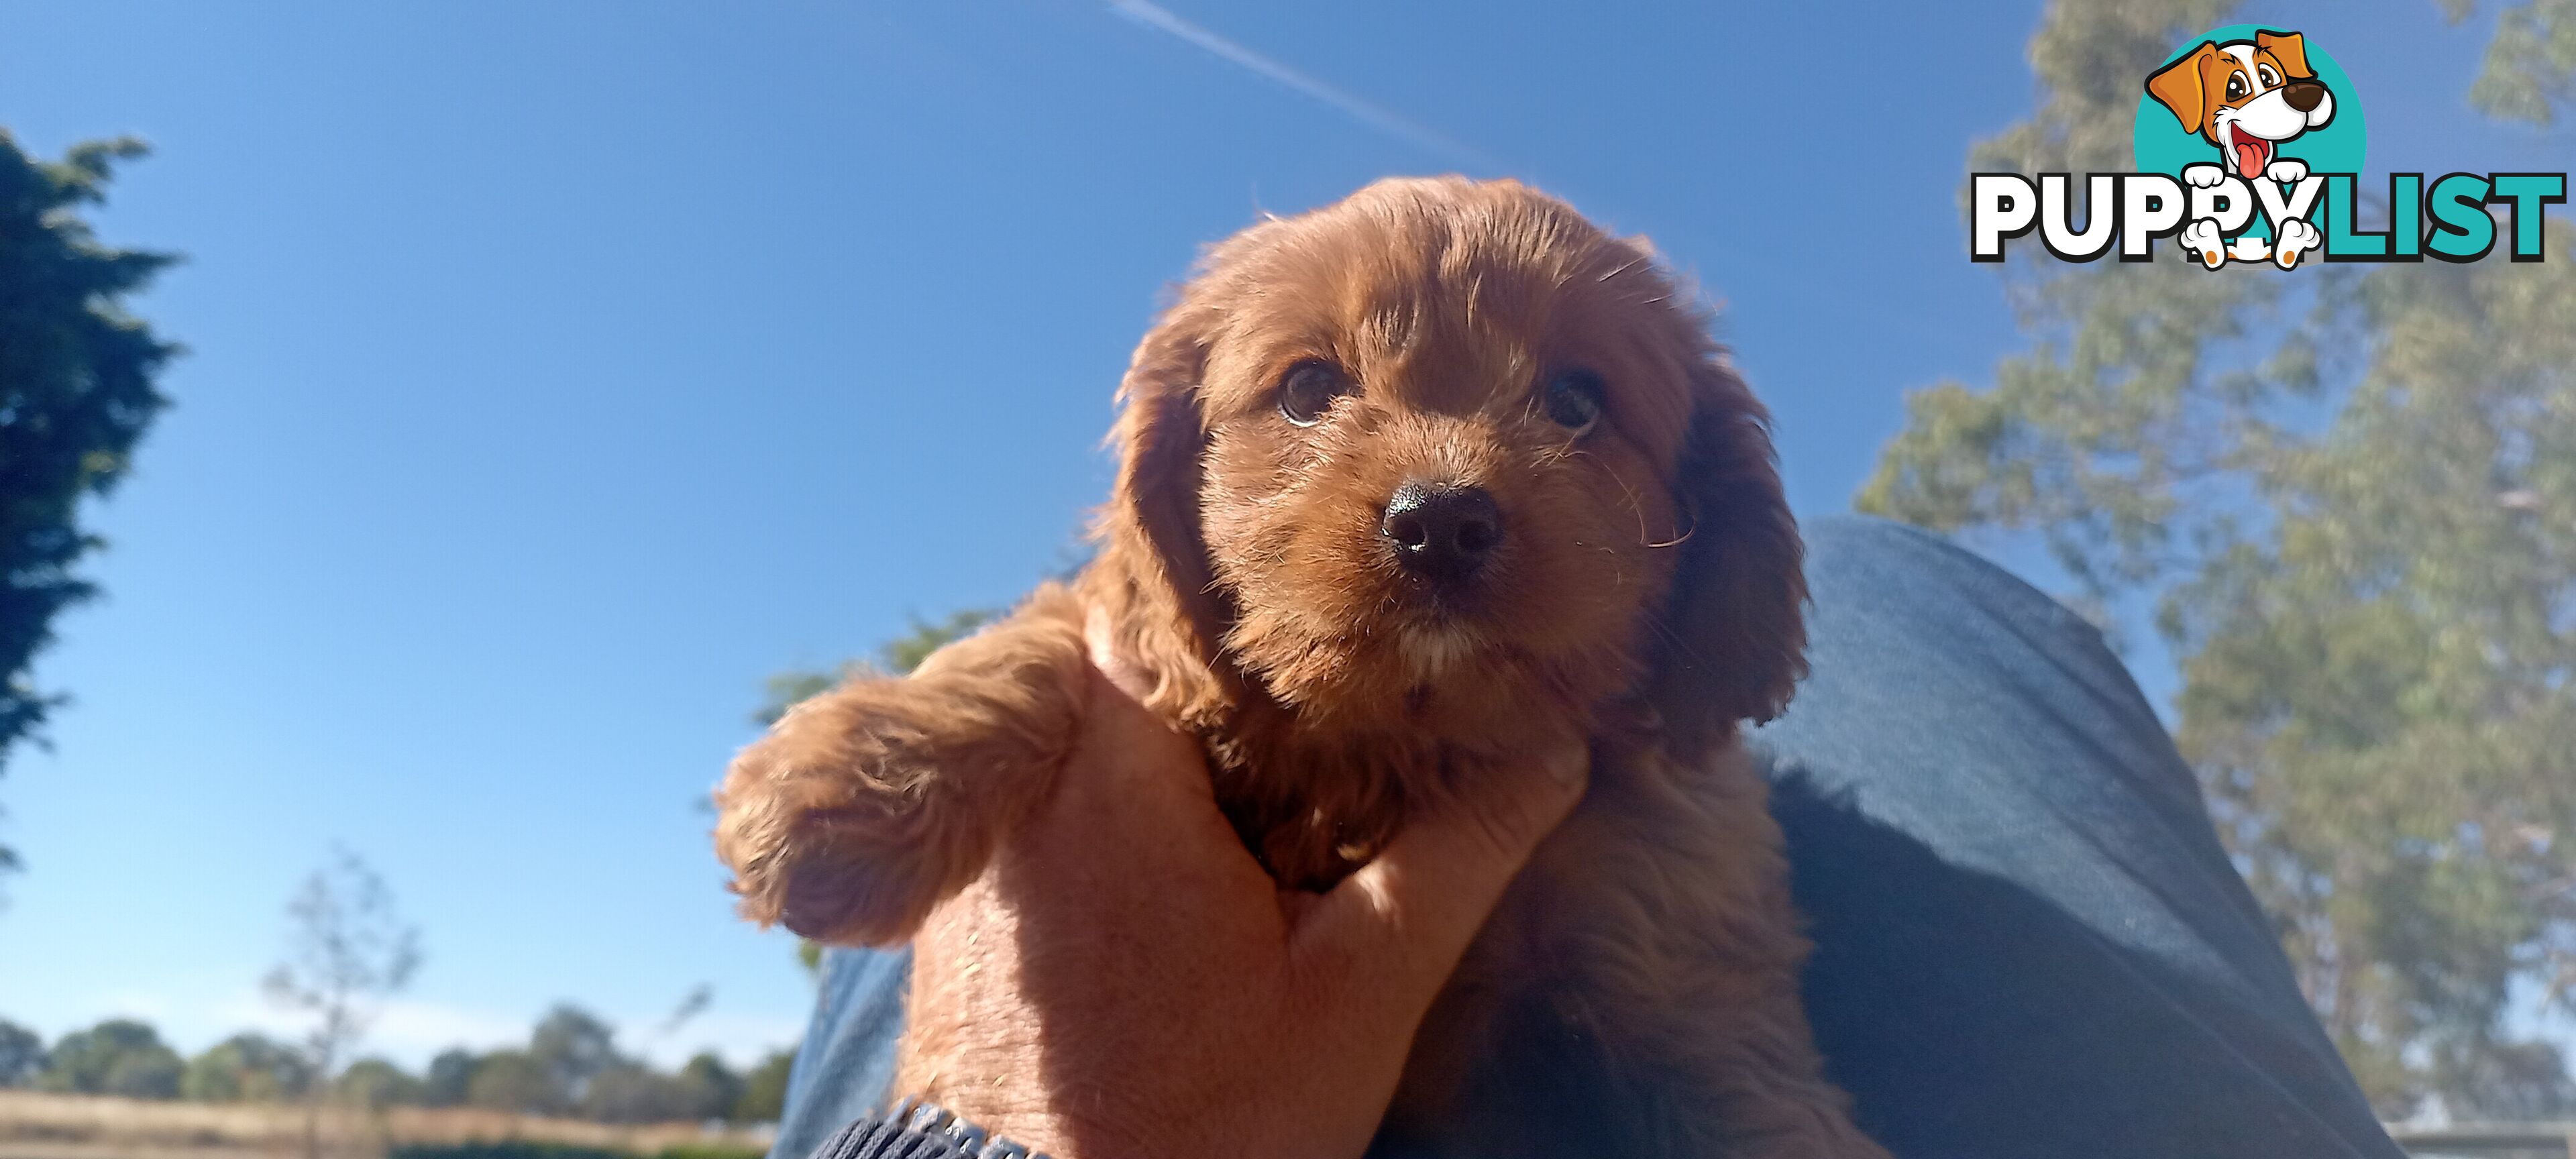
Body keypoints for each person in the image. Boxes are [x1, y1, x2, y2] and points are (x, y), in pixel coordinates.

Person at [765, 518, 2409, 1159]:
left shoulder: (1682, 798)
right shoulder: (1126, 614)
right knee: (1926, 590)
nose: (1450, 479)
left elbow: (1733, 1057)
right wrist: (965, 732)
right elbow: (1090, 635)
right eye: (1312, 384)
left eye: (1572, 396)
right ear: (1172, 482)